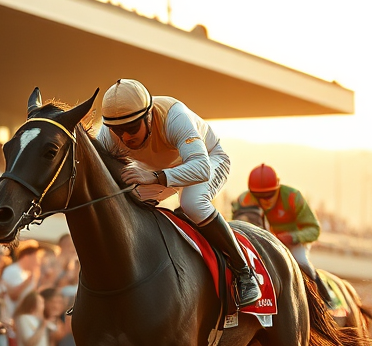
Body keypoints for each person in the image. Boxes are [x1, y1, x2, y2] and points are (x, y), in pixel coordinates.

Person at [97, 78, 259, 306]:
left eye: (132, 128)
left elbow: (201, 168)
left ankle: (245, 272)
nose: (125, 137)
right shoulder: (106, 135)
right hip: (160, 171)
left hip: (207, 160)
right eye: (117, 130)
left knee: (192, 203)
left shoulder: (174, 116)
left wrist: (154, 177)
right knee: (128, 206)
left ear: (149, 116)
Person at [234, 163, 334, 302]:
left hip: (294, 243)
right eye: (258, 196)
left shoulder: (293, 197)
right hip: (265, 244)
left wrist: (292, 237)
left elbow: (314, 229)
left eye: (269, 195)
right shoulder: (244, 200)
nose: (264, 200)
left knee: (301, 261)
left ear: (278, 188)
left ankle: (327, 298)